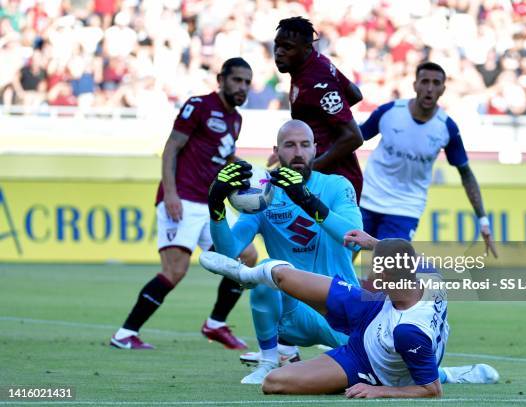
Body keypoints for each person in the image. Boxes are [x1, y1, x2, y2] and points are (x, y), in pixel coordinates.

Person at [199, 232, 499, 398]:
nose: (369, 278)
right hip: (374, 308)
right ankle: (246, 274)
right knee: (283, 278)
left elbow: (431, 392)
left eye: (376, 275)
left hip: (368, 363)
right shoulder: (428, 275)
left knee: (274, 383)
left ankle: (449, 373)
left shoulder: (409, 332)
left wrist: (379, 392)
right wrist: (373, 244)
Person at [110, 57, 258, 350]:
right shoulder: (199, 106)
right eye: (236, 80)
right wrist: (170, 193)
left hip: (209, 204)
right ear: (221, 79)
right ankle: (125, 334)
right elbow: (171, 148)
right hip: (182, 199)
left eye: (246, 82)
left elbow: (224, 156)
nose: (242, 87)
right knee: (175, 271)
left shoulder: (236, 119)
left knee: (246, 257)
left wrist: (257, 173)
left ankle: (215, 324)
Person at [205, 119, 363, 383]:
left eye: (304, 145)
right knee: (266, 269)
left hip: (341, 308)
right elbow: (228, 252)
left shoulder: (338, 185)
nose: (298, 152)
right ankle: (269, 361)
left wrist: (306, 199)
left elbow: (354, 239)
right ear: (276, 151)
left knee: (381, 368)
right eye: (289, 145)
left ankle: (448, 373)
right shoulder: (264, 196)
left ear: (315, 148)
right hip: (294, 315)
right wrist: (216, 207)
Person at [359, 62, 497, 257]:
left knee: (386, 271)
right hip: (366, 197)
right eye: (424, 81)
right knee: (342, 263)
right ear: (415, 85)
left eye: (435, 83)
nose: (429, 88)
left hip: (406, 208)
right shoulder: (389, 112)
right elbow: (353, 140)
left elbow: (466, 174)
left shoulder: (446, 127)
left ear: (443, 89)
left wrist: (483, 220)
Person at [271, 16, 365, 200]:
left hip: (335, 183)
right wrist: (326, 122)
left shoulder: (317, 81)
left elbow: (354, 137)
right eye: (277, 45)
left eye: (287, 47)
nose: (279, 52)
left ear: (306, 48)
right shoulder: (315, 62)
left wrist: (309, 168)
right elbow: (354, 94)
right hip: (324, 176)